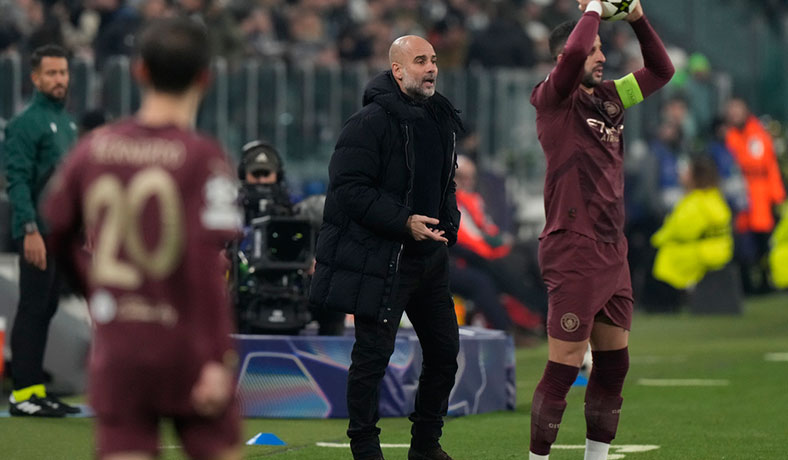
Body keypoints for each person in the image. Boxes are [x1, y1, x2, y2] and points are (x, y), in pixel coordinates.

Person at [43, 18, 242, 460]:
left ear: (140, 72)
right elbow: (209, 267)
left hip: (122, 347)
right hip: (187, 347)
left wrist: (97, 288)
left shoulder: (92, 150)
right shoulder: (205, 157)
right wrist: (217, 357)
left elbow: (54, 226)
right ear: (205, 78)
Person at [528, 1, 674, 459]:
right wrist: (592, 7)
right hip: (572, 246)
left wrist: (634, 17)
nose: (600, 57)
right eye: (593, 50)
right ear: (565, 58)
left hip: (613, 249)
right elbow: (572, 58)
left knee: (614, 366)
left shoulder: (612, 96)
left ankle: (597, 458)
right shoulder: (552, 99)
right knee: (564, 366)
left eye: (600, 49)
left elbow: (662, 70)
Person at [310, 35, 463, 460]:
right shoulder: (368, 122)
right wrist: (404, 222)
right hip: (382, 258)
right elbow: (349, 189)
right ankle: (364, 447)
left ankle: (426, 445)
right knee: (373, 358)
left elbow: (444, 181)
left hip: (430, 257)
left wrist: (449, 221)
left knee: (445, 352)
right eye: (420, 61)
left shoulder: (440, 118)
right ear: (397, 70)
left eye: (433, 60)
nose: (431, 68)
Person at [4, 43, 80, 417]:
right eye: (51, 73)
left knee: (47, 306)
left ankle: (36, 389)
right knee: (34, 306)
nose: (59, 80)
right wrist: (29, 228)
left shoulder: (67, 123)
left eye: (63, 73)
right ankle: (22, 394)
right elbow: (16, 180)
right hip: (36, 231)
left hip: (61, 234)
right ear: (35, 78)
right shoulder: (25, 124)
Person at [724, 97, 786, 294]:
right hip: (741, 193)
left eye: (738, 109)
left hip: (760, 195)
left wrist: (777, 196)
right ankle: (747, 284)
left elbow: (770, 166)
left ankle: (767, 281)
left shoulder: (758, 134)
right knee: (743, 242)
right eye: (731, 111)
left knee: (764, 241)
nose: (735, 114)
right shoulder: (729, 136)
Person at [650, 156, 733, 289]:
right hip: (721, 251)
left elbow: (679, 231)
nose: (681, 175)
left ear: (694, 176)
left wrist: (656, 240)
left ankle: (665, 299)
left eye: (686, 172)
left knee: (662, 256)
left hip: (700, 255)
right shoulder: (716, 198)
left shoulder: (693, 203)